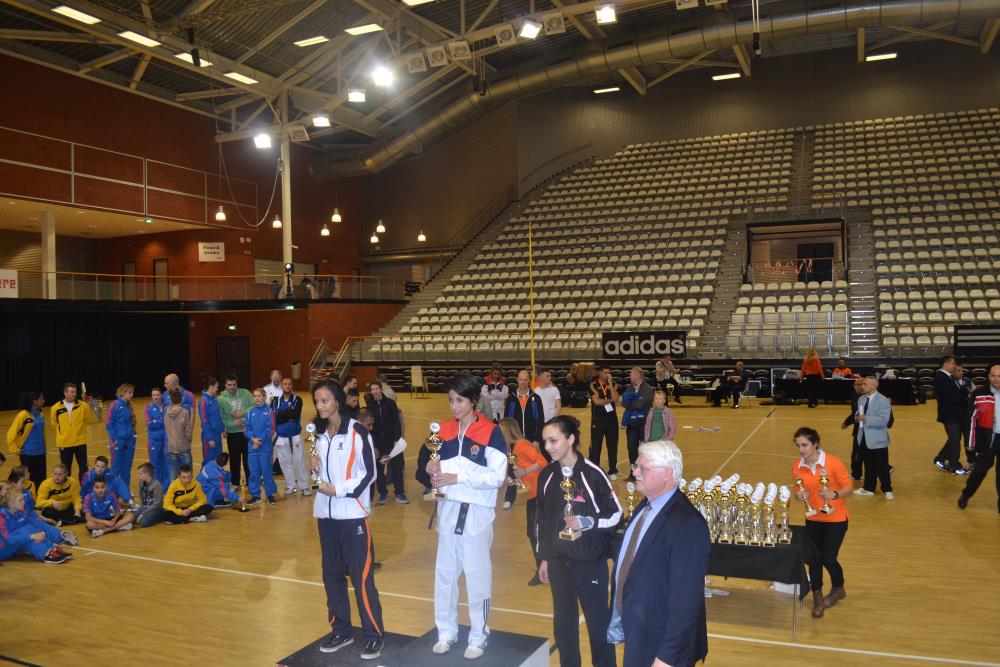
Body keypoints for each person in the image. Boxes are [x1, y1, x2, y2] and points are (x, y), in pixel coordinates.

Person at [425, 373, 508, 660]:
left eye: (459, 400)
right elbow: (432, 468)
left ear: (473, 401)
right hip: (448, 512)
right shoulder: (442, 430)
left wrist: (459, 477)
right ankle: (445, 632)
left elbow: (497, 477)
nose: (454, 406)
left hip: (476, 514)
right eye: (451, 400)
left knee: (477, 577)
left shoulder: (491, 432)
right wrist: (431, 470)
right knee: (444, 576)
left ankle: (478, 635)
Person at [607, 440, 709, 667]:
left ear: (667, 474)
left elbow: (686, 599)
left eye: (643, 468)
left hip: (661, 645)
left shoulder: (687, 524)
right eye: (636, 466)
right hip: (639, 632)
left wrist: (667, 657)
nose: (635, 472)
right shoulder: (646, 506)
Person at [309, 380, 385, 660]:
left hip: (352, 516)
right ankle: (341, 630)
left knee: (361, 578)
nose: (320, 406)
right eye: (317, 401)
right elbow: (319, 475)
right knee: (331, 576)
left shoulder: (357, 431)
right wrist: (313, 469)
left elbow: (369, 473)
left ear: (337, 401)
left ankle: (374, 635)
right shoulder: (317, 434)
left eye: (325, 400)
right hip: (325, 516)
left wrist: (338, 490)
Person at [536, 416, 620, 667]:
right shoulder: (547, 475)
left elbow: (616, 513)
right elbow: (542, 520)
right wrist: (543, 558)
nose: (548, 447)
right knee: (564, 624)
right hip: (558, 562)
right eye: (545, 442)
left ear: (570, 439)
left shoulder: (593, 474)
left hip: (589, 562)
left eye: (553, 441)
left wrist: (589, 522)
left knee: (598, 624)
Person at [791, 427, 853, 619]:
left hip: (836, 519)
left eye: (805, 445)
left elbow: (848, 488)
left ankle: (838, 588)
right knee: (813, 559)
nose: (801, 449)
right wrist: (799, 495)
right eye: (798, 446)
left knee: (828, 557)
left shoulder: (833, 462)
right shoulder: (797, 466)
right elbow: (796, 488)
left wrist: (834, 494)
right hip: (813, 519)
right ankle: (817, 595)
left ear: (815, 443)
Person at [498, 418, 547, 585]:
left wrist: (525, 471)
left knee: (534, 533)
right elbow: (520, 472)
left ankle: (542, 570)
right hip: (532, 493)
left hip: (540, 493)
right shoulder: (512, 448)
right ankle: (543, 568)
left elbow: (542, 462)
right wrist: (513, 480)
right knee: (533, 533)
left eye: (500, 430)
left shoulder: (521, 446)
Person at [957, 363, 1000, 511]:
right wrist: (970, 442)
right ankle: (966, 494)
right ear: (988, 376)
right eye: (993, 376)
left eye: (999, 376)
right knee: (979, 471)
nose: (996, 379)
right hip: (988, 439)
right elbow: (971, 419)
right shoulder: (979, 393)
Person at [0, 484, 72, 564]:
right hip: (3, 549)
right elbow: (8, 539)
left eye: (23, 499)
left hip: (14, 548)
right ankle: (46, 554)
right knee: (26, 532)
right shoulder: (2, 516)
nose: (24, 502)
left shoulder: (18, 513)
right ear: (11, 503)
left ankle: (52, 549)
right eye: (20, 500)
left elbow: (33, 526)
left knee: (32, 527)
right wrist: (32, 536)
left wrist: (40, 534)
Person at [6, 466, 78, 545]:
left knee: (43, 526)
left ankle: (61, 536)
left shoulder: (27, 492)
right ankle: (60, 537)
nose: (29, 474)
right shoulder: (9, 497)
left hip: (31, 519)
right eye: (27, 473)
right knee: (38, 528)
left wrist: (45, 519)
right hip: (22, 523)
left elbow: (31, 510)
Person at [367, 380, 407, 505]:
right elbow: (369, 427)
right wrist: (373, 445)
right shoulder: (369, 406)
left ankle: (399, 493)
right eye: (372, 389)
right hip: (378, 444)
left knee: (396, 468)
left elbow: (396, 422)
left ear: (381, 389)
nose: (375, 391)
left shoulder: (390, 403)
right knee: (379, 470)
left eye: (376, 388)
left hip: (392, 442)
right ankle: (383, 494)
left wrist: (396, 439)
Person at [854, 376, 894, 500]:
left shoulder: (883, 400)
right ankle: (868, 488)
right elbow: (857, 414)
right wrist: (857, 417)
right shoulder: (861, 399)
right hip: (863, 436)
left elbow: (884, 420)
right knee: (868, 464)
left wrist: (866, 418)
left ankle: (887, 489)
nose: (862, 386)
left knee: (882, 466)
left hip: (878, 439)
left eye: (865, 384)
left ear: (873, 385)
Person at [272, 377, 311, 497]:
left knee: (299, 461)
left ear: (292, 385)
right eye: (285, 384)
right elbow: (275, 417)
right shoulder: (276, 401)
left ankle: (304, 486)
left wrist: (282, 414)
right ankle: (290, 486)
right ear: (282, 386)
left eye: (289, 384)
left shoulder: (297, 399)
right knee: (285, 463)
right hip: (281, 437)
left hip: (295, 436)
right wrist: (287, 415)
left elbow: (294, 414)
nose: (287, 386)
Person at [51, 382, 99, 478]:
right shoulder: (55, 408)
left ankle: (84, 485)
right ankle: (67, 486)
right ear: (65, 393)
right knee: (65, 469)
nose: (74, 394)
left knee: (83, 468)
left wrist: (93, 405)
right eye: (72, 392)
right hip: (64, 443)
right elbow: (54, 424)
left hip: (80, 442)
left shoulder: (83, 405)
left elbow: (94, 420)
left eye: (75, 392)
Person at [933, 355, 970, 475]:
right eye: (953, 363)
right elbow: (951, 397)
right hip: (950, 415)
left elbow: (959, 392)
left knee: (954, 439)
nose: (954, 366)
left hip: (957, 414)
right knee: (955, 441)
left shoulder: (949, 377)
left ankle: (940, 458)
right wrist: (967, 400)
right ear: (946, 363)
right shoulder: (941, 378)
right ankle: (954, 466)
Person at [218, 375, 253, 488]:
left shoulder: (245, 394)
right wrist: (233, 424)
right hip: (233, 433)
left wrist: (242, 414)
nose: (232, 387)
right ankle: (235, 483)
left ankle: (250, 482)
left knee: (248, 459)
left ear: (237, 384)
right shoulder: (221, 399)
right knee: (234, 459)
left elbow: (253, 408)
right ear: (225, 385)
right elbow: (221, 418)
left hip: (247, 431)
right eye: (229, 385)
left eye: (234, 384)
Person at [245, 388, 277, 506]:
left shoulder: (269, 412)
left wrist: (259, 440)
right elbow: (246, 428)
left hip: (265, 448)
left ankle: (270, 494)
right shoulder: (250, 412)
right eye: (255, 396)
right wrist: (252, 439)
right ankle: (255, 495)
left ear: (264, 397)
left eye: (259, 396)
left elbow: (271, 430)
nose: (257, 398)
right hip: (252, 448)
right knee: (253, 473)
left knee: (267, 471)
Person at [7, 390, 46, 486]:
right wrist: (15, 449)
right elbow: (11, 434)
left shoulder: (41, 415)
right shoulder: (23, 415)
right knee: (29, 480)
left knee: (41, 479)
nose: (43, 400)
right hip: (28, 454)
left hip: (41, 453)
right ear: (34, 401)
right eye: (41, 399)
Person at [589, 365, 621, 480]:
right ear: (600, 373)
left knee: (612, 446)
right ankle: (594, 470)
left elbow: (616, 399)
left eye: (609, 372)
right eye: (605, 372)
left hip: (612, 420)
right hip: (597, 420)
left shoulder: (614, 384)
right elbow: (596, 401)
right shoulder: (593, 385)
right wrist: (610, 400)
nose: (608, 375)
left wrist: (610, 383)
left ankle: (613, 470)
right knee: (596, 447)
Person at [622, 367, 653, 479]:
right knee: (631, 449)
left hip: (644, 423)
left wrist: (631, 403)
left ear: (637, 376)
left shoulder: (648, 388)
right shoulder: (629, 387)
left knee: (645, 449)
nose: (629, 376)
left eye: (631, 374)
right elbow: (624, 403)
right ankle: (633, 473)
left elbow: (641, 404)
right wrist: (635, 401)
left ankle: (647, 473)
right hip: (631, 424)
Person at [105, 383, 138, 488]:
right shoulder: (114, 405)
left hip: (129, 441)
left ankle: (125, 492)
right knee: (116, 468)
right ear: (123, 392)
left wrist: (133, 436)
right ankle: (112, 492)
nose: (132, 395)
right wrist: (115, 438)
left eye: (132, 392)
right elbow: (108, 423)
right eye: (130, 392)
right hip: (118, 441)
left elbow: (131, 423)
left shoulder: (128, 406)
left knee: (127, 468)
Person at [145, 387, 171, 491]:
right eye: (153, 395)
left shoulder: (167, 407)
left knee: (166, 462)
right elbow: (149, 424)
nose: (155, 397)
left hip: (167, 439)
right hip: (154, 440)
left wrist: (156, 421)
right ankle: (157, 487)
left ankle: (166, 487)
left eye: (157, 395)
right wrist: (162, 420)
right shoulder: (148, 408)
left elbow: (169, 422)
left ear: (161, 396)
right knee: (155, 463)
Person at [840, 378, 867, 480]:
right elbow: (854, 413)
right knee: (861, 452)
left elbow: (857, 415)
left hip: (864, 429)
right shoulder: (856, 396)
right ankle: (856, 473)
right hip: (859, 427)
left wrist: (846, 422)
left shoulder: (866, 398)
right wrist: (847, 422)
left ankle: (856, 474)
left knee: (858, 452)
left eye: (859, 385)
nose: (856, 387)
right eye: (855, 385)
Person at [165, 389, 193, 481]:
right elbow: (188, 431)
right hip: (183, 447)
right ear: (181, 399)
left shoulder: (166, 412)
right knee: (187, 473)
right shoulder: (185, 412)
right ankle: (188, 489)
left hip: (171, 447)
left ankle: (172, 489)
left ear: (171, 400)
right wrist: (189, 441)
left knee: (172, 473)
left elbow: (166, 428)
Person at [198, 375, 225, 465]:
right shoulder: (203, 401)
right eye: (216, 387)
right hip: (209, 436)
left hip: (217, 435)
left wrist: (222, 430)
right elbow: (204, 421)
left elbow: (217, 416)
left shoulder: (214, 399)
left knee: (218, 461)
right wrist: (209, 438)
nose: (217, 389)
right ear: (211, 387)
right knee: (208, 461)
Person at [134, 463, 165, 528]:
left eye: (140, 474)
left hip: (157, 508)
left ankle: (161, 517)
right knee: (132, 518)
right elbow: (141, 495)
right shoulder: (142, 482)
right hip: (146, 507)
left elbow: (157, 504)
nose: (138, 476)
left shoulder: (157, 485)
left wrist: (143, 513)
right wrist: (142, 509)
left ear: (147, 474)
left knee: (143, 522)